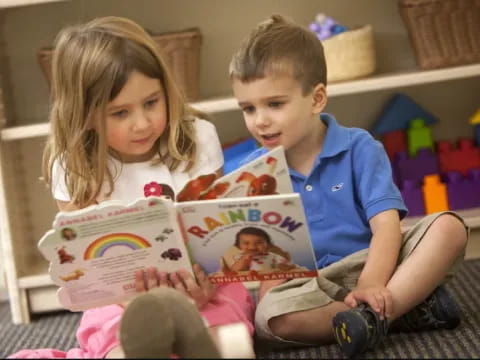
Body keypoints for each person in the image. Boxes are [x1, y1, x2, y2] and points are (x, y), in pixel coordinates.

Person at [9, 16, 255, 359]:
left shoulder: (198, 138)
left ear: (166, 90)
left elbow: (214, 234)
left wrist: (202, 288)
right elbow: (88, 267)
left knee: (227, 331)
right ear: (85, 115)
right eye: (120, 113)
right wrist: (140, 302)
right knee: (118, 341)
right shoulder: (73, 166)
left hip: (205, 287)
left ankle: (197, 345)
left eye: (152, 102)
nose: (141, 123)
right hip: (119, 301)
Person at [229, 14, 469, 357]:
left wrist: (372, 282)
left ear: (316, 99)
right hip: (311, 284)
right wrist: (269, 288)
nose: (260, 120)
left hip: (379, 264)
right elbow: (263, 259)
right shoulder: (250, 173)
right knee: (273, 320)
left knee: (449, 227)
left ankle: (377, 310)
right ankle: (399, 311)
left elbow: (387, 226)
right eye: (248, 109)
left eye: (275, 104)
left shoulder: (359, 147)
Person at [222, 226, 296, 273]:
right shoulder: (238, 257)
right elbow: (234, 270)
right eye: (246, 243)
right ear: (238, 246)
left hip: (270, 280)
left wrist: (284, 267)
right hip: (248, 282)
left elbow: (289, 267)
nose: (252, 247)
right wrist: (244, 259)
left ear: (268, 245)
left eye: (259, 242)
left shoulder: (273, 256)